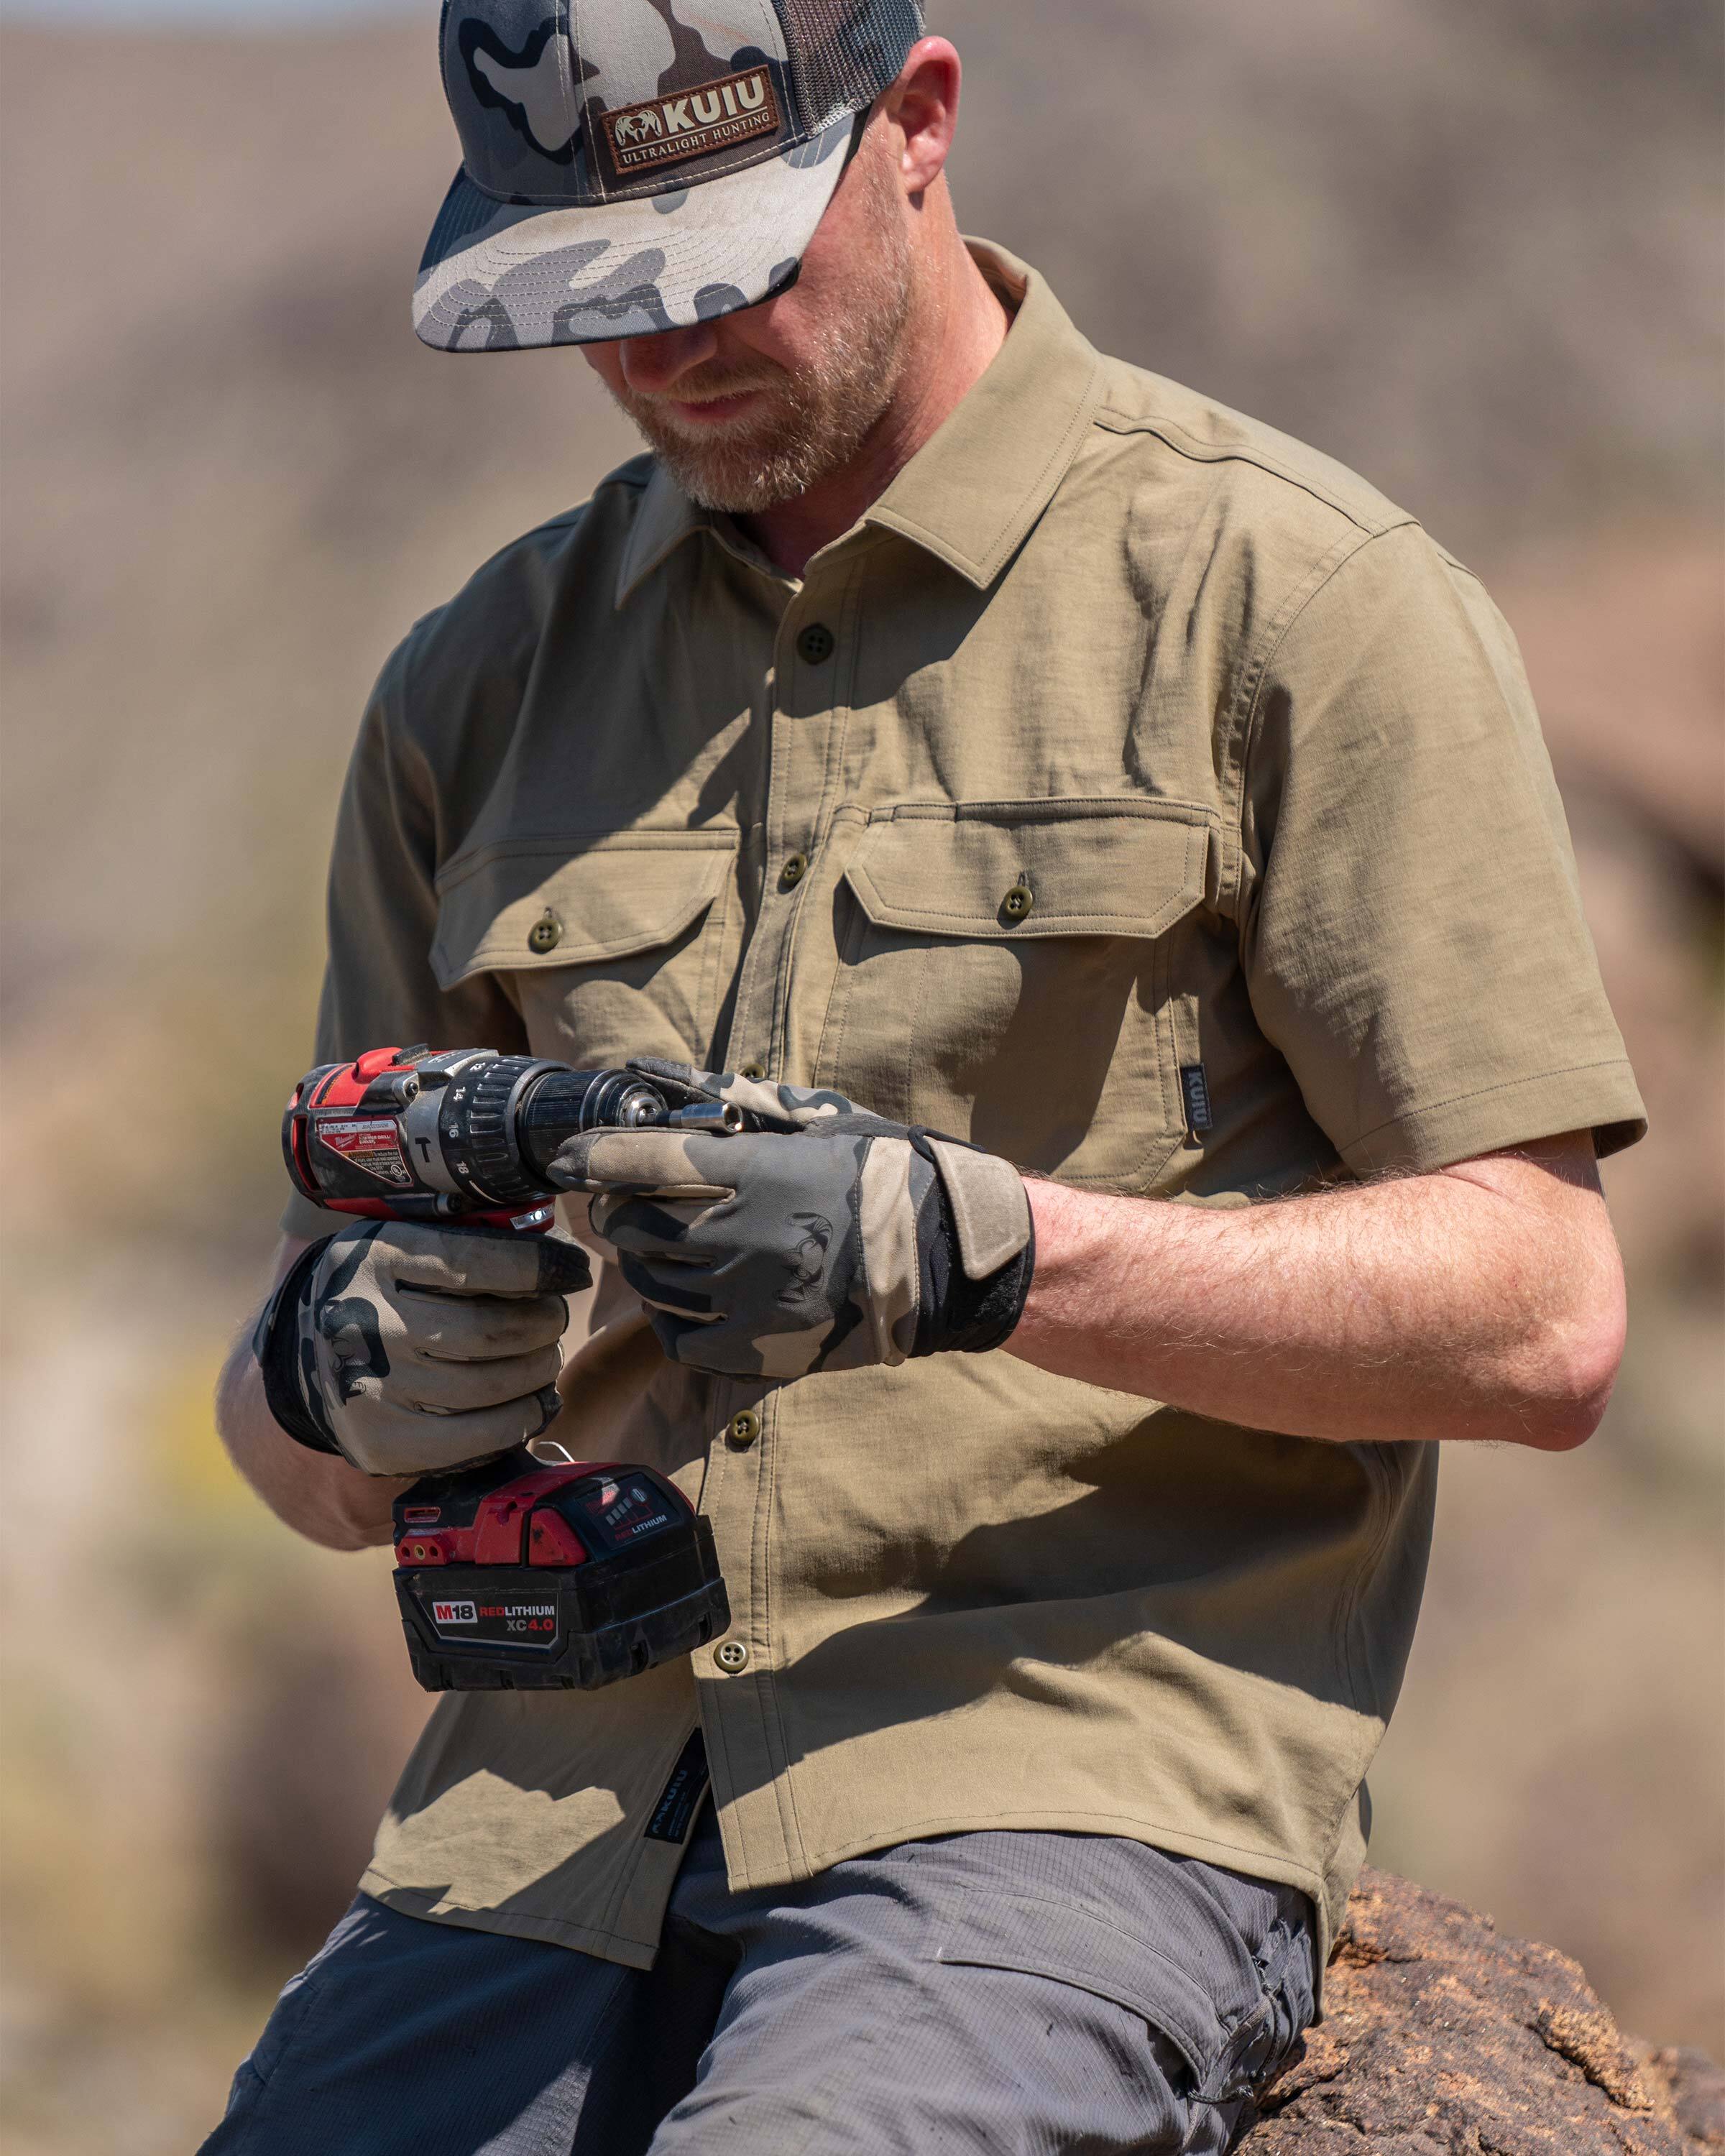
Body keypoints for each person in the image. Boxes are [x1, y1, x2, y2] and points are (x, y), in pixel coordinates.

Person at [203, 4, 1645, 2151]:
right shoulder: (477, 689)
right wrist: (335, 1385)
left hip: (1058, 1781)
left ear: (920, 125)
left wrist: (989, 1252)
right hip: (541, 1819)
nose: (667, 350)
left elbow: (1543, 1316)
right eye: (596, 297)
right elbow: (291, 1427)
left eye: (730, 268)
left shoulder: (1296, 603)